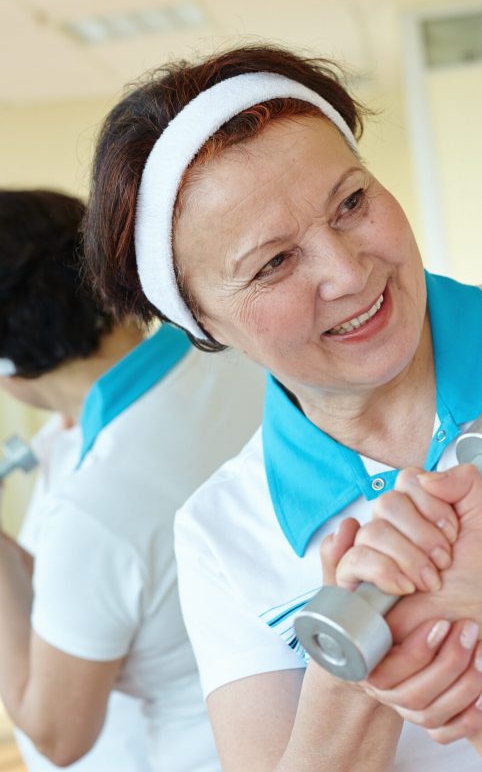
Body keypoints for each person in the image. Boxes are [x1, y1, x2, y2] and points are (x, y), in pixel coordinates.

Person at [82, 45, 482, 772]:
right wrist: (353, 665)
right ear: (205, 330)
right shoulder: (223, 541)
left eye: (351, 203)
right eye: (273, 263)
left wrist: (477, 664)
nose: (348, 273)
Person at [0, 189, 264, 771]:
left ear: (12, 372)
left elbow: (56, 735)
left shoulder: (94, 508)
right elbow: (119, 586)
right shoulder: (242, 348)